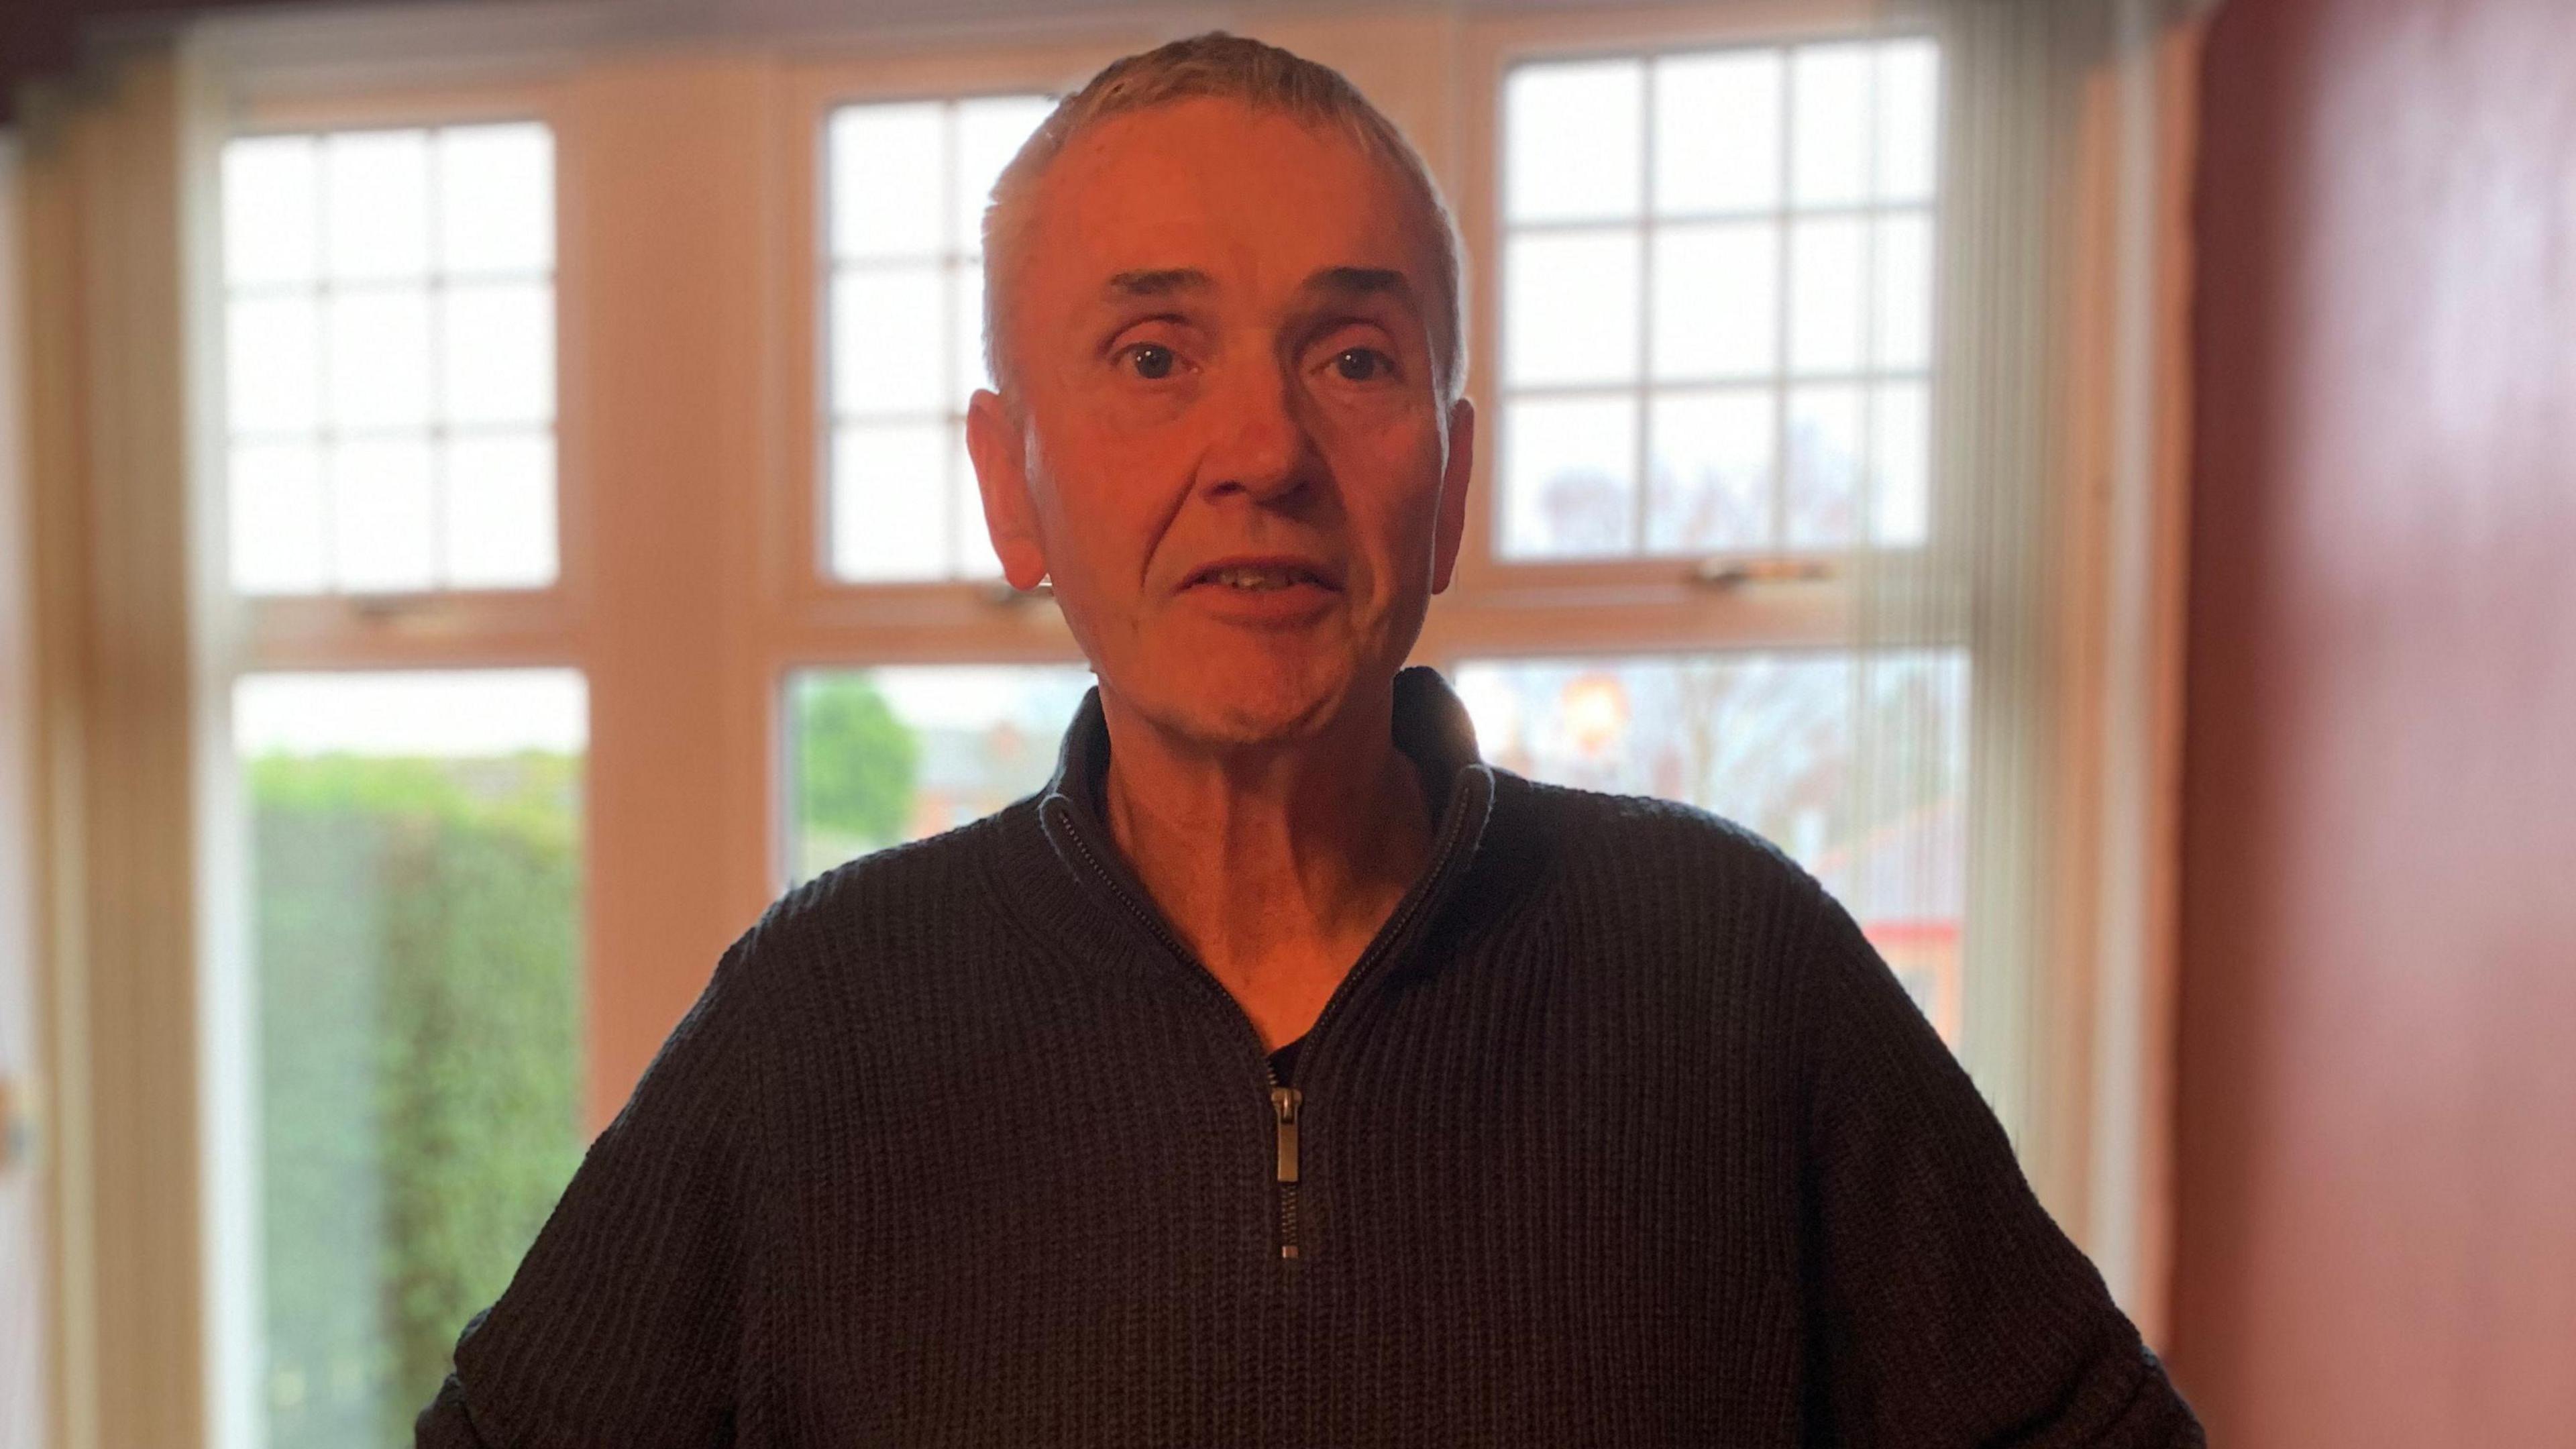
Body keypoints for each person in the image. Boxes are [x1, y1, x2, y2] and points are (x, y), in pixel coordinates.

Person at [417, 32, 2202, 1447]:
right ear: (1007, 481)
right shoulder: (817, 1021)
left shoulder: (1742, 974)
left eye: (1350, 358)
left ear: (1451, 486)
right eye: (1148, 355)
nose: (1261, 447)